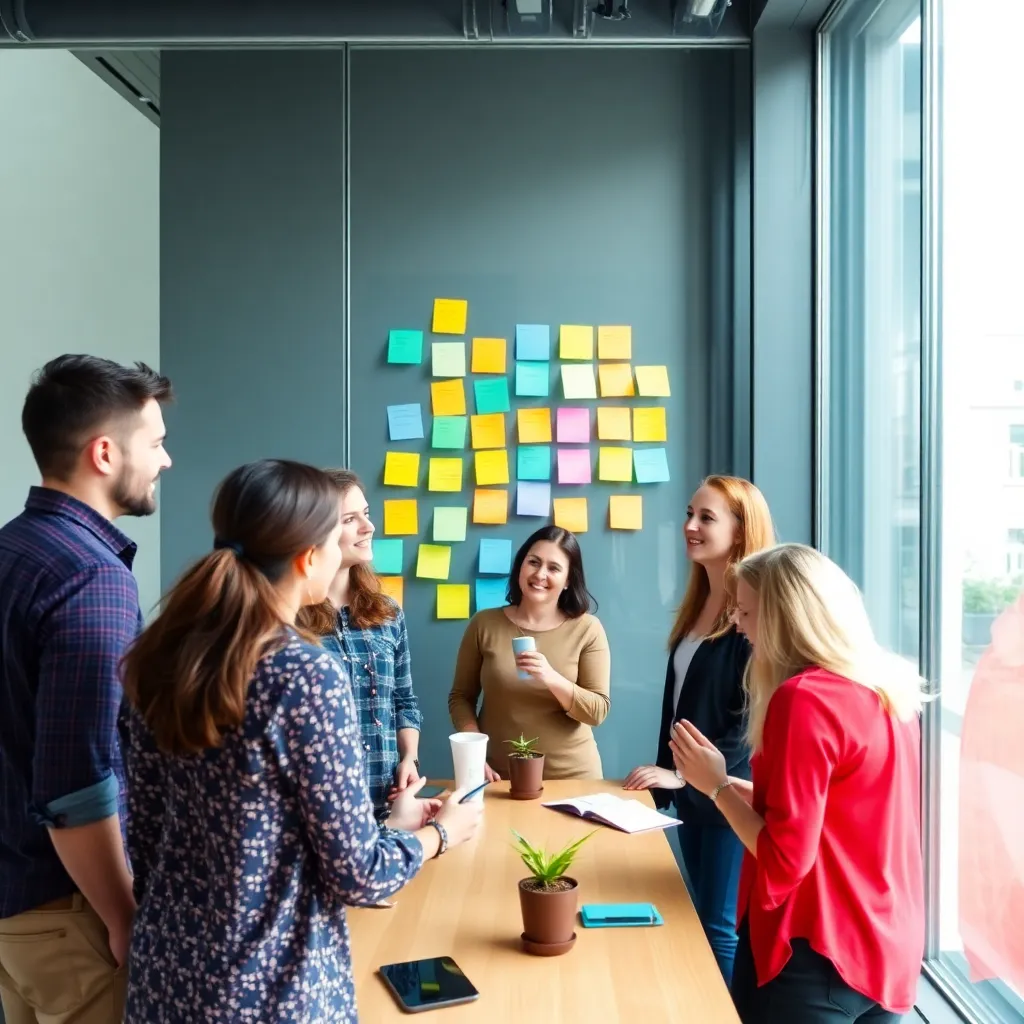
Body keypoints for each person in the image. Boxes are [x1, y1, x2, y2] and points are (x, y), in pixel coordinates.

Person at [120, 459, 482, 1023]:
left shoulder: (156, 659)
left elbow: (144, 840)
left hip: (164, 979)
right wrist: (440, 834)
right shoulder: (303, 674)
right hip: (270, 990)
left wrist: (388, 828)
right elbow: (360, 876)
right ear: (309, 556)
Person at [671, 544, 925, 1024]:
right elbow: (839, 813)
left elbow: (784, 860)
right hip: (887, 942)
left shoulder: (803, 699)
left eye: (746, 612)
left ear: (788, 617)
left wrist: (718, 789)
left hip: (813, 946)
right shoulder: (889, 690)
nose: (739, 626)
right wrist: (726, 782)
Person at [0, 355, 173, 1024]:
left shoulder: (13, 549)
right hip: (67, 915)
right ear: (105, 452)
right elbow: (76, 787)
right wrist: (124, 917)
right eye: (154, 443)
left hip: (17, 913)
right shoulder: (91, 577)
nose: (165, 461)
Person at [623, 475, 774, 984]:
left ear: (741, 530)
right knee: (700, 920)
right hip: (693, 794)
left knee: (718, 927)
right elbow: (681, 705)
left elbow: (747, 723)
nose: (689, 526)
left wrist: (686, 778)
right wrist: (668, 774)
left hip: (729, 795)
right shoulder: (698, 605)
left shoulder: (752, 615)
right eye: (690, 514)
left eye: (706, 518)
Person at [298, 469, 423, 822]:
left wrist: (408, 760)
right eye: (350, 519)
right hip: (321, 814)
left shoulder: (388, 612)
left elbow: (404, 701)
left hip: (387, 806)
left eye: (365, 514)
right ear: (315, 531)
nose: (368, 527)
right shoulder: (290, 618)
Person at [448, 525, 610, 781]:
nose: (540, 574)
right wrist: (473, 754)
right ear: (520, 567)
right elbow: (460, 698)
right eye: (533, 562)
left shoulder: (587, 628)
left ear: (568, 580)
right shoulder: (484, 623)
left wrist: (550, 676)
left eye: (554, 568)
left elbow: (597, 711)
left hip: (572, 778)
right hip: (499, 777)